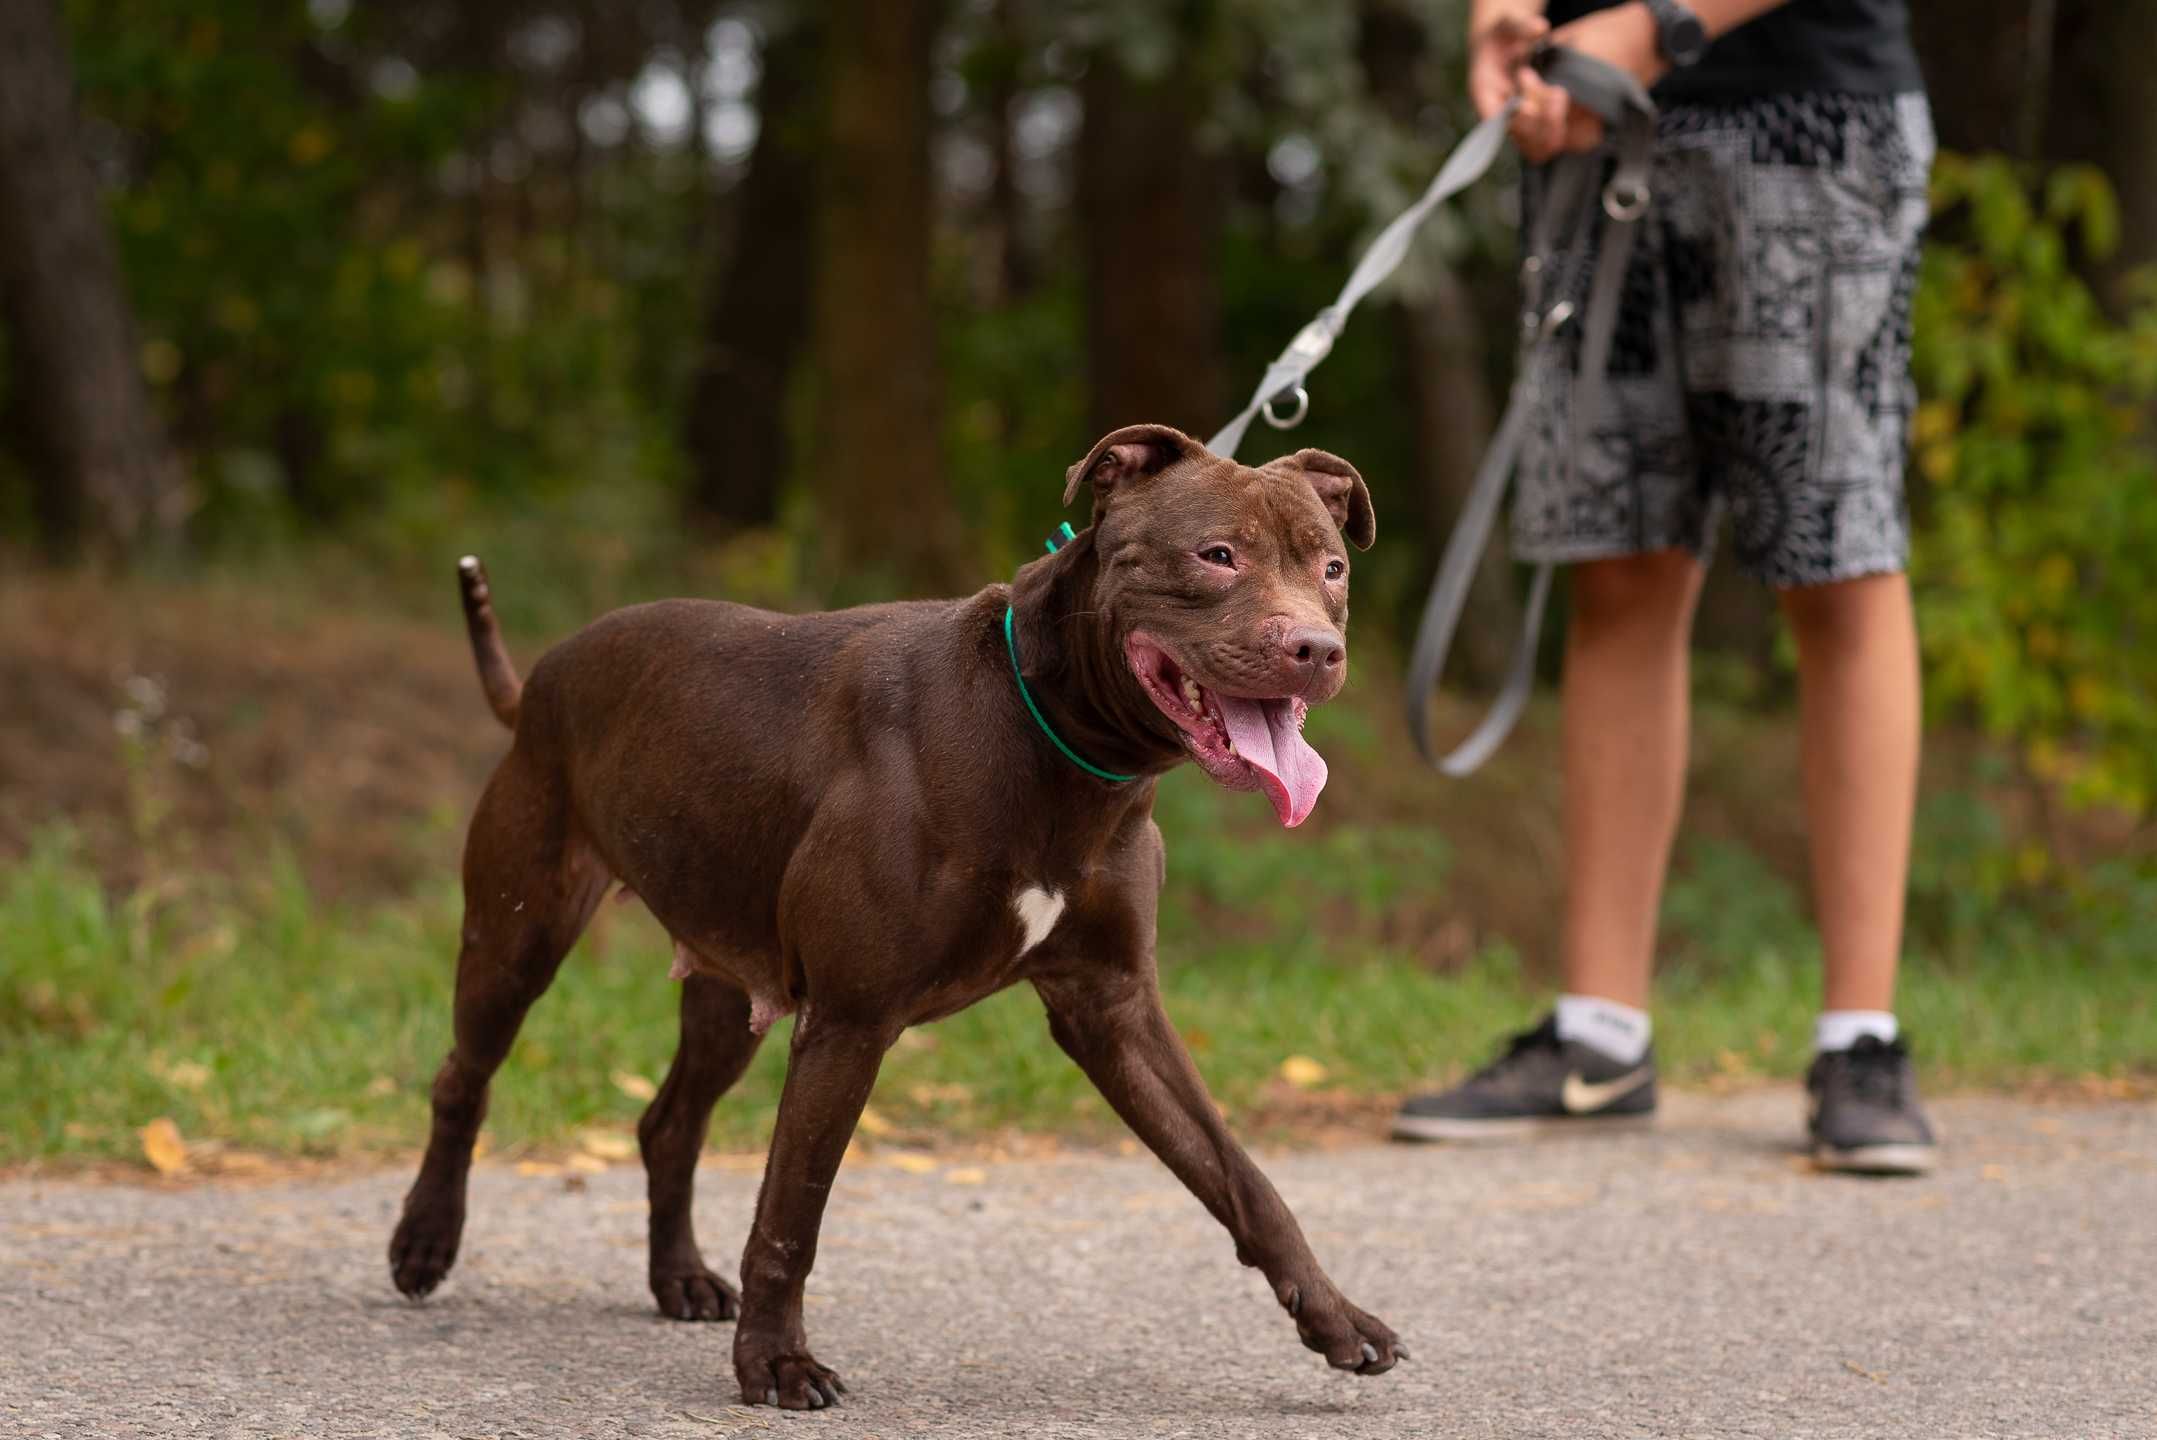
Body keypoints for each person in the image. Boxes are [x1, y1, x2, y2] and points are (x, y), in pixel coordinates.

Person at [1392, 0, 1938, 1173]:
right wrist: (1507, 19)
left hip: (1813, 124)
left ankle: (1862, 1039)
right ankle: (1601, 1035)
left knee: (1837, 560)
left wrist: (1661, 26)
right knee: (1620, 567)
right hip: (1594, 138)